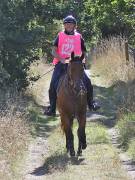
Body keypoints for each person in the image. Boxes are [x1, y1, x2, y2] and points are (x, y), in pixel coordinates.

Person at [44, 15, 100, 116]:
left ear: (75, 26)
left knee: (88, 82)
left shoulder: (79, 36)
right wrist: (61, 59)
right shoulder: (60, 35)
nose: (69, 25)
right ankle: (52, 109)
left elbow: (84, 51)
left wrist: (83, 61)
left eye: (71, 24)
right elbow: (53, 51)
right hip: (62, 64)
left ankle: (91, 103)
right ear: (64, 25)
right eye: (67, 24)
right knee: (53, 85)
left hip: (76, 64)